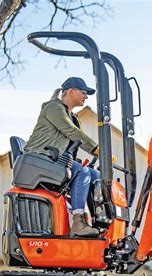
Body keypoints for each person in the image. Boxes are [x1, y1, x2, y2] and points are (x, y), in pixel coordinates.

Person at [24, 77, 103, 236]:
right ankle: (78, 222)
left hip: (54, 159)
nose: (86, 97)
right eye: (83, 92)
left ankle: (98, 219)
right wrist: (96, 148)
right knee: (81, 172)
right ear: (71, 91)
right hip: (39, 157)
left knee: (95, 175)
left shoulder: (72, 116)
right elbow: (72, 132)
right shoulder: (53, 107)